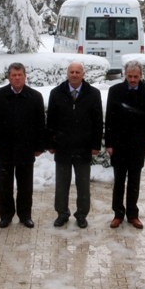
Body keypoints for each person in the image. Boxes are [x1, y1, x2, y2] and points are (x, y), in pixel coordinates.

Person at [0, 63, 46, 228]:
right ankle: (6, 215)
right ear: (9, 77)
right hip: (4, 148)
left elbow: (41, 124)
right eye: (13, 75)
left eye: (19, 75)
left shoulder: (35, 96)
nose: (17, 78)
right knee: (5, 186)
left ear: (25, 76)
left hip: (26, 149)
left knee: (25, 186)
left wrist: (40, 145)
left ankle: (25, 215)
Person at [47, 62, 103, 229]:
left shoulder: (93, 94)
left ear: (83, 74)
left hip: (83, 147)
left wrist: (95, 145)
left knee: (83, 185)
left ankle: (81, 215)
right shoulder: (56, 93)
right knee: (62, 184)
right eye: (71, 71)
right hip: (63, 147)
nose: (74, 74)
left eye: (78, 72)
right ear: (67, 73)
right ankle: (62, 213)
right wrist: (51, 142)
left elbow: (98, 122)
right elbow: (50, 121)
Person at [104, 60, 145, 229]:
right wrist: (109, 143)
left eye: (136, 76)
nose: (132, 79)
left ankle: (133, 214)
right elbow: (109, 119)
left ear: (141, 76)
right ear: (125, 75)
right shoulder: (115, 91)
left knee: (134, 180)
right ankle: (118, 213)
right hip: (119, 144)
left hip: (138, 144)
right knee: (119, 180)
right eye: (130, 76)